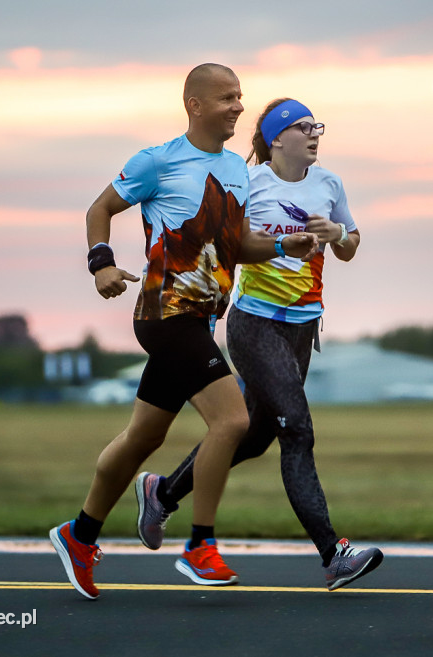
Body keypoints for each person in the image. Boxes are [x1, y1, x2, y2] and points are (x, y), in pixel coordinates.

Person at [50, 67, 319, 600]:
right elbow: (100, 209)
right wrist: (101, 264)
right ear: (194, 105)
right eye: (226, 98)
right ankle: (200, 546)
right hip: (164, 315)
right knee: (233, 420)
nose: (239, 106)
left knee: (143, 438)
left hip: (201, 321)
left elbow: (237, 244)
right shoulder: (158, 160)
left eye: (240, 96)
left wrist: (287, 247)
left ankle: (78, 536)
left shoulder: (237, 171)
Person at [133, 97, 383, 591]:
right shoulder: (250, 183)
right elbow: (230, 246)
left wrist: (337, 235)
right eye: (305, 127)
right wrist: (275, 245)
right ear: (276, 138)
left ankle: (162, 492)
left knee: (254, 436)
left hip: (303, 327)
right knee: (298, 430)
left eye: (318, 127)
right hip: (255, 324)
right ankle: (334, 554)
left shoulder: (329, 183)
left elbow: (351, 244)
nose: (315, 135)